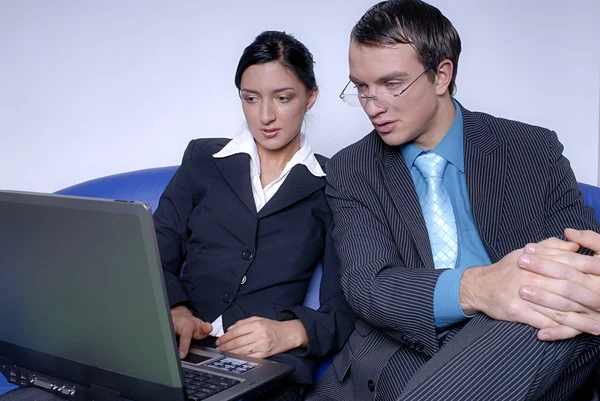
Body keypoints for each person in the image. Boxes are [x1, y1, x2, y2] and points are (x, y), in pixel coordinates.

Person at [306, 1, 600, 400]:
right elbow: (368, 286)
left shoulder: (532, 148)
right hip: (401, 355)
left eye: (392, 84)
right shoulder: (352, 169)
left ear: (441, 75)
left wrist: (520, 292)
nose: (372, 104)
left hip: (521, 342)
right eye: (361, 86)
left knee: (538, 305)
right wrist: (482, 288)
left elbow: (576, 259)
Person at [152, 30, 356, 401]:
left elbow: (349, 298)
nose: (265, 116)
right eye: (251, 98)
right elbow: (150, 253)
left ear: (311, 97)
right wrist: (174, 307)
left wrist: (293, 332)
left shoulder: (335, 184)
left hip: (267, 367)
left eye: (283, 98)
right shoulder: (202, 160)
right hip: (174, 349)